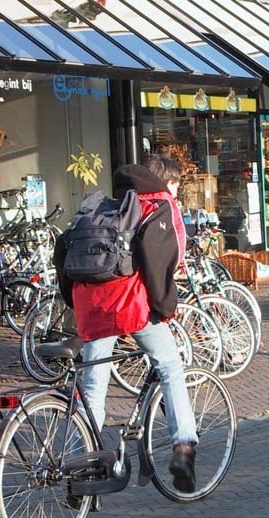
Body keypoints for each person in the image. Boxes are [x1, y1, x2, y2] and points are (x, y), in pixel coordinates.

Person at [54, 161, 198, 492]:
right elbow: (159, 260)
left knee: (92, 389)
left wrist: (74, 303)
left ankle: (80, 469)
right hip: (130, 305)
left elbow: (63, 251)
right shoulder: (158, 205)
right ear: (166, 182)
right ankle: (184, 449)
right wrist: (163, 307)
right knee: (171, 366)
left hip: (93, 308)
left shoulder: (105, 205)